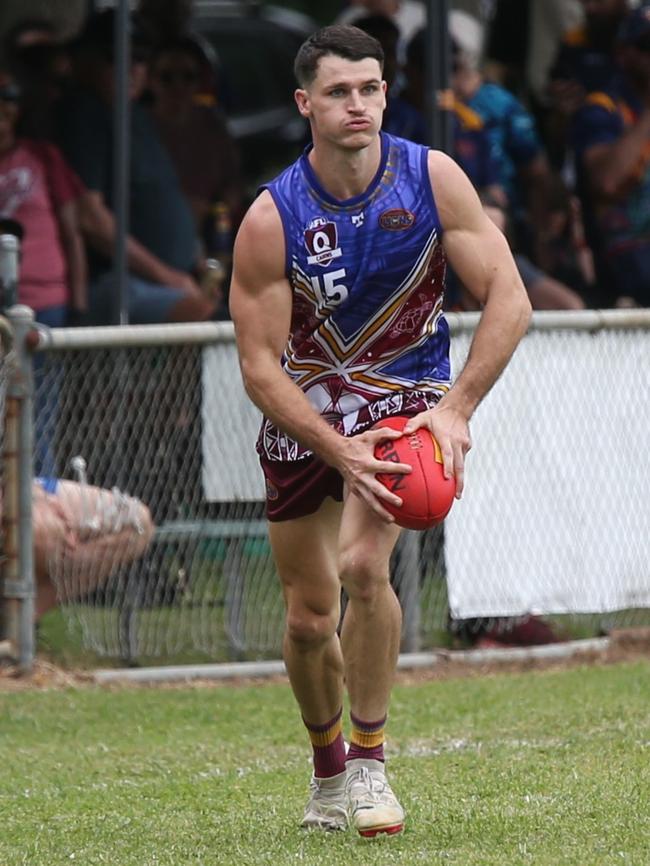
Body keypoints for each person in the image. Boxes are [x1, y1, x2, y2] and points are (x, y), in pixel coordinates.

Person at [228, 24, 531, 836]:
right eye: (337, 92)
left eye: (368, 88)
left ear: (385, 94)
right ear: (305, 104)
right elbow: (259, 368)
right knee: (305, 616)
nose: (356, 104)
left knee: (366, 565)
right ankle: (327, 774)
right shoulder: (271, 217)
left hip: (408, 395)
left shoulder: (433, 179)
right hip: (308, 410)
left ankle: (368, 765)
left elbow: (511, 298)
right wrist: (335, 448)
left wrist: (456, 408)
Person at [56, 9, 216, 325]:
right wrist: (171, 277)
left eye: (140, 58)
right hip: (118, 282)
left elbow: (164, 194)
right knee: (215, 321)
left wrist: (195, 259)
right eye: (115, 57)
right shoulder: (85, 114)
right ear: (85, 61)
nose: (131, 68)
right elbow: (92, 219)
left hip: (172, 278)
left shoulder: (137, 114)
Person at [28, 472, 154, 621]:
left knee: (139, 524)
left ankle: (23, 615)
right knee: (41, 531)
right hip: (13, 492)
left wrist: (43, 499)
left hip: (36, 485)